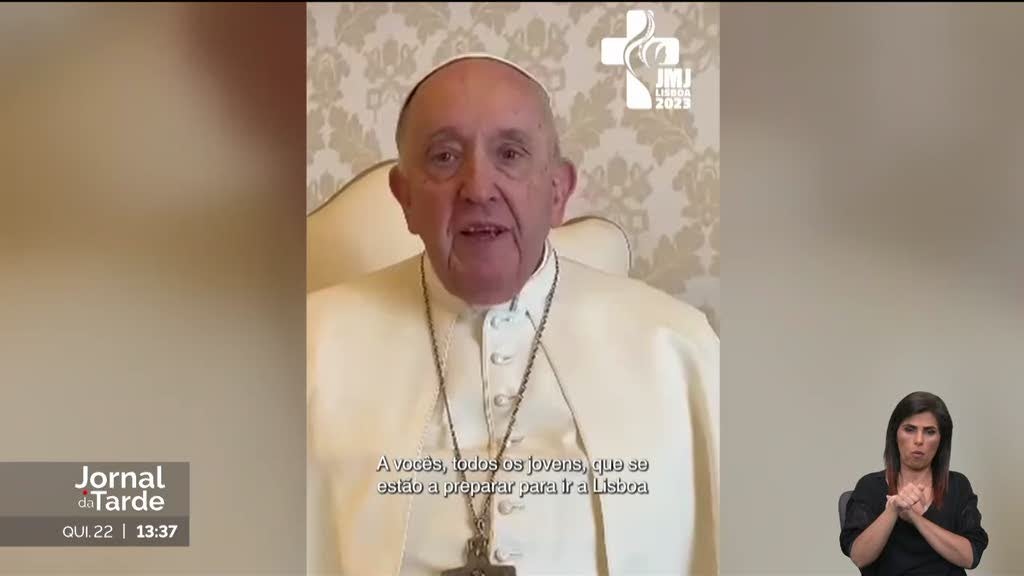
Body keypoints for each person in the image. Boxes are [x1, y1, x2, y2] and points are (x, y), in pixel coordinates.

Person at [307, 53, 719, 576]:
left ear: (557, 191)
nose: (479, 189)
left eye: (510, 154)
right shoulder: (309, 346)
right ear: (405, 197)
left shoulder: (678, 347)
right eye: (444, 157)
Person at [840, 391, 989, 575]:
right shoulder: (870, 486)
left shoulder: (958, 485)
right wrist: (892, 510)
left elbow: (970, 558)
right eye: (909, 429)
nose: (919, 440)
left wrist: (915, 518)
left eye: (930, 432)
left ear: (941, 439)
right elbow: (859, 557)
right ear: (895, 434)